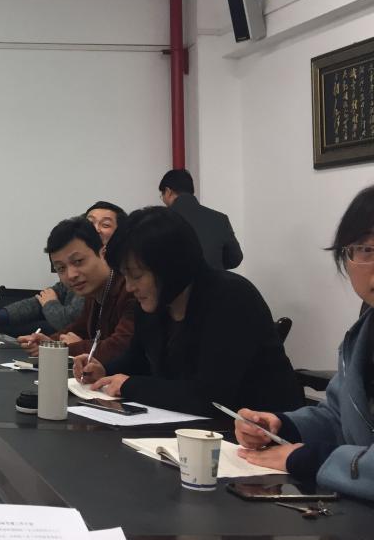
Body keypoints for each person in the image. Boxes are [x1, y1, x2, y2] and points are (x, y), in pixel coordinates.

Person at [76, 206, 302, 417]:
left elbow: (210, 397)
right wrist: (104, 370)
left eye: (136, 275)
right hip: (190, 426)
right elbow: (138, 358)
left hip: (261, 430)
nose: (129, 287)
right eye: (125, 276)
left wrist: (129, 385)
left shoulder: (231, 297)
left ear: (169, 266)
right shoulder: (154, 302)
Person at [235, 186, 374, 500]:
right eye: (366, 249)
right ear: (347, 256)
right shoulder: (363, 333)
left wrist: (310, 459)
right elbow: (340, 417)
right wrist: (280, 426)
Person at [0, 202, 126, 335]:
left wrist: (50, 304)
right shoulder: (90, 290)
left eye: (105, 225)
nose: (96, 229)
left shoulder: (123, 286)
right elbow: (40, 304)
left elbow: (70, 324)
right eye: (90, 222)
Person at [17, 215, 135, 365]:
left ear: (103, 254)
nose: (71, 275)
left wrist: (66, 347)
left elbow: (119, 347)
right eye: (61, 268)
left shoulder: (130, 288)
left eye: (78, 261)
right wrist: (49, 343)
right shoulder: (93, 293)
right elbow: (78, 329)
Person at [159, 169, 243, 270]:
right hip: (212, 279)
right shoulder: (220, 219)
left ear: (168, 192)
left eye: (162, 195)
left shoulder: (159, 220)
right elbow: (235, 258)